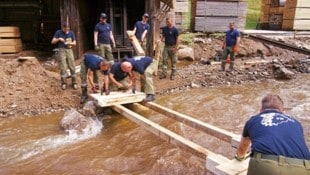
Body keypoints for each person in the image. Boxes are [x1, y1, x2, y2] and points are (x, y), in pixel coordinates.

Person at [235, 94, 310, 175]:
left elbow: (242, 149)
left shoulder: (253, 120)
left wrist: (239, 158)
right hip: (304, 168)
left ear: (261, 110)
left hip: (267, 167)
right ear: (283, 111)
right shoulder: (296, 123)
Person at [51, 23, 77, 90]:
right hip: (61, 50)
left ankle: (74, 83)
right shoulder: (58, 32)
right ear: (63, 28)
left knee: (72, 66)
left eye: (67, 29)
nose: (66, 30)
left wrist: (69, 43)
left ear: (69, 28)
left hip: (69, 50)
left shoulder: (71, 33)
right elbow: (52, 41)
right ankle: (64, 83)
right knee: (63, 67)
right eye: (65, 29)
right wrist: (59, 39)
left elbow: (75, 43)